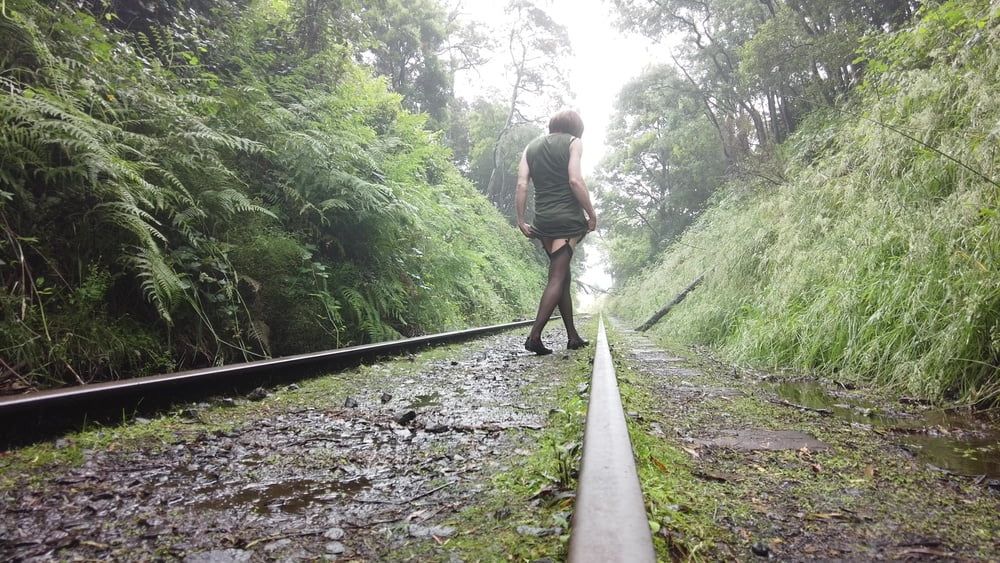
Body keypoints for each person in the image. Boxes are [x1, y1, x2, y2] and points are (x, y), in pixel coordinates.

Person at [515, 109, 598, 355]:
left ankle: (572, 336)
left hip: (543, 222)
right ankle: (534, 336)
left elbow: (521, 184)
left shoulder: (530, 147)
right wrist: (591, 213)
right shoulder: (574, 143)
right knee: (557, 277)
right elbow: (575, 180)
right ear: (576, 128)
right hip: (567, 221)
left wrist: (521, 220)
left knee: (563, 276)